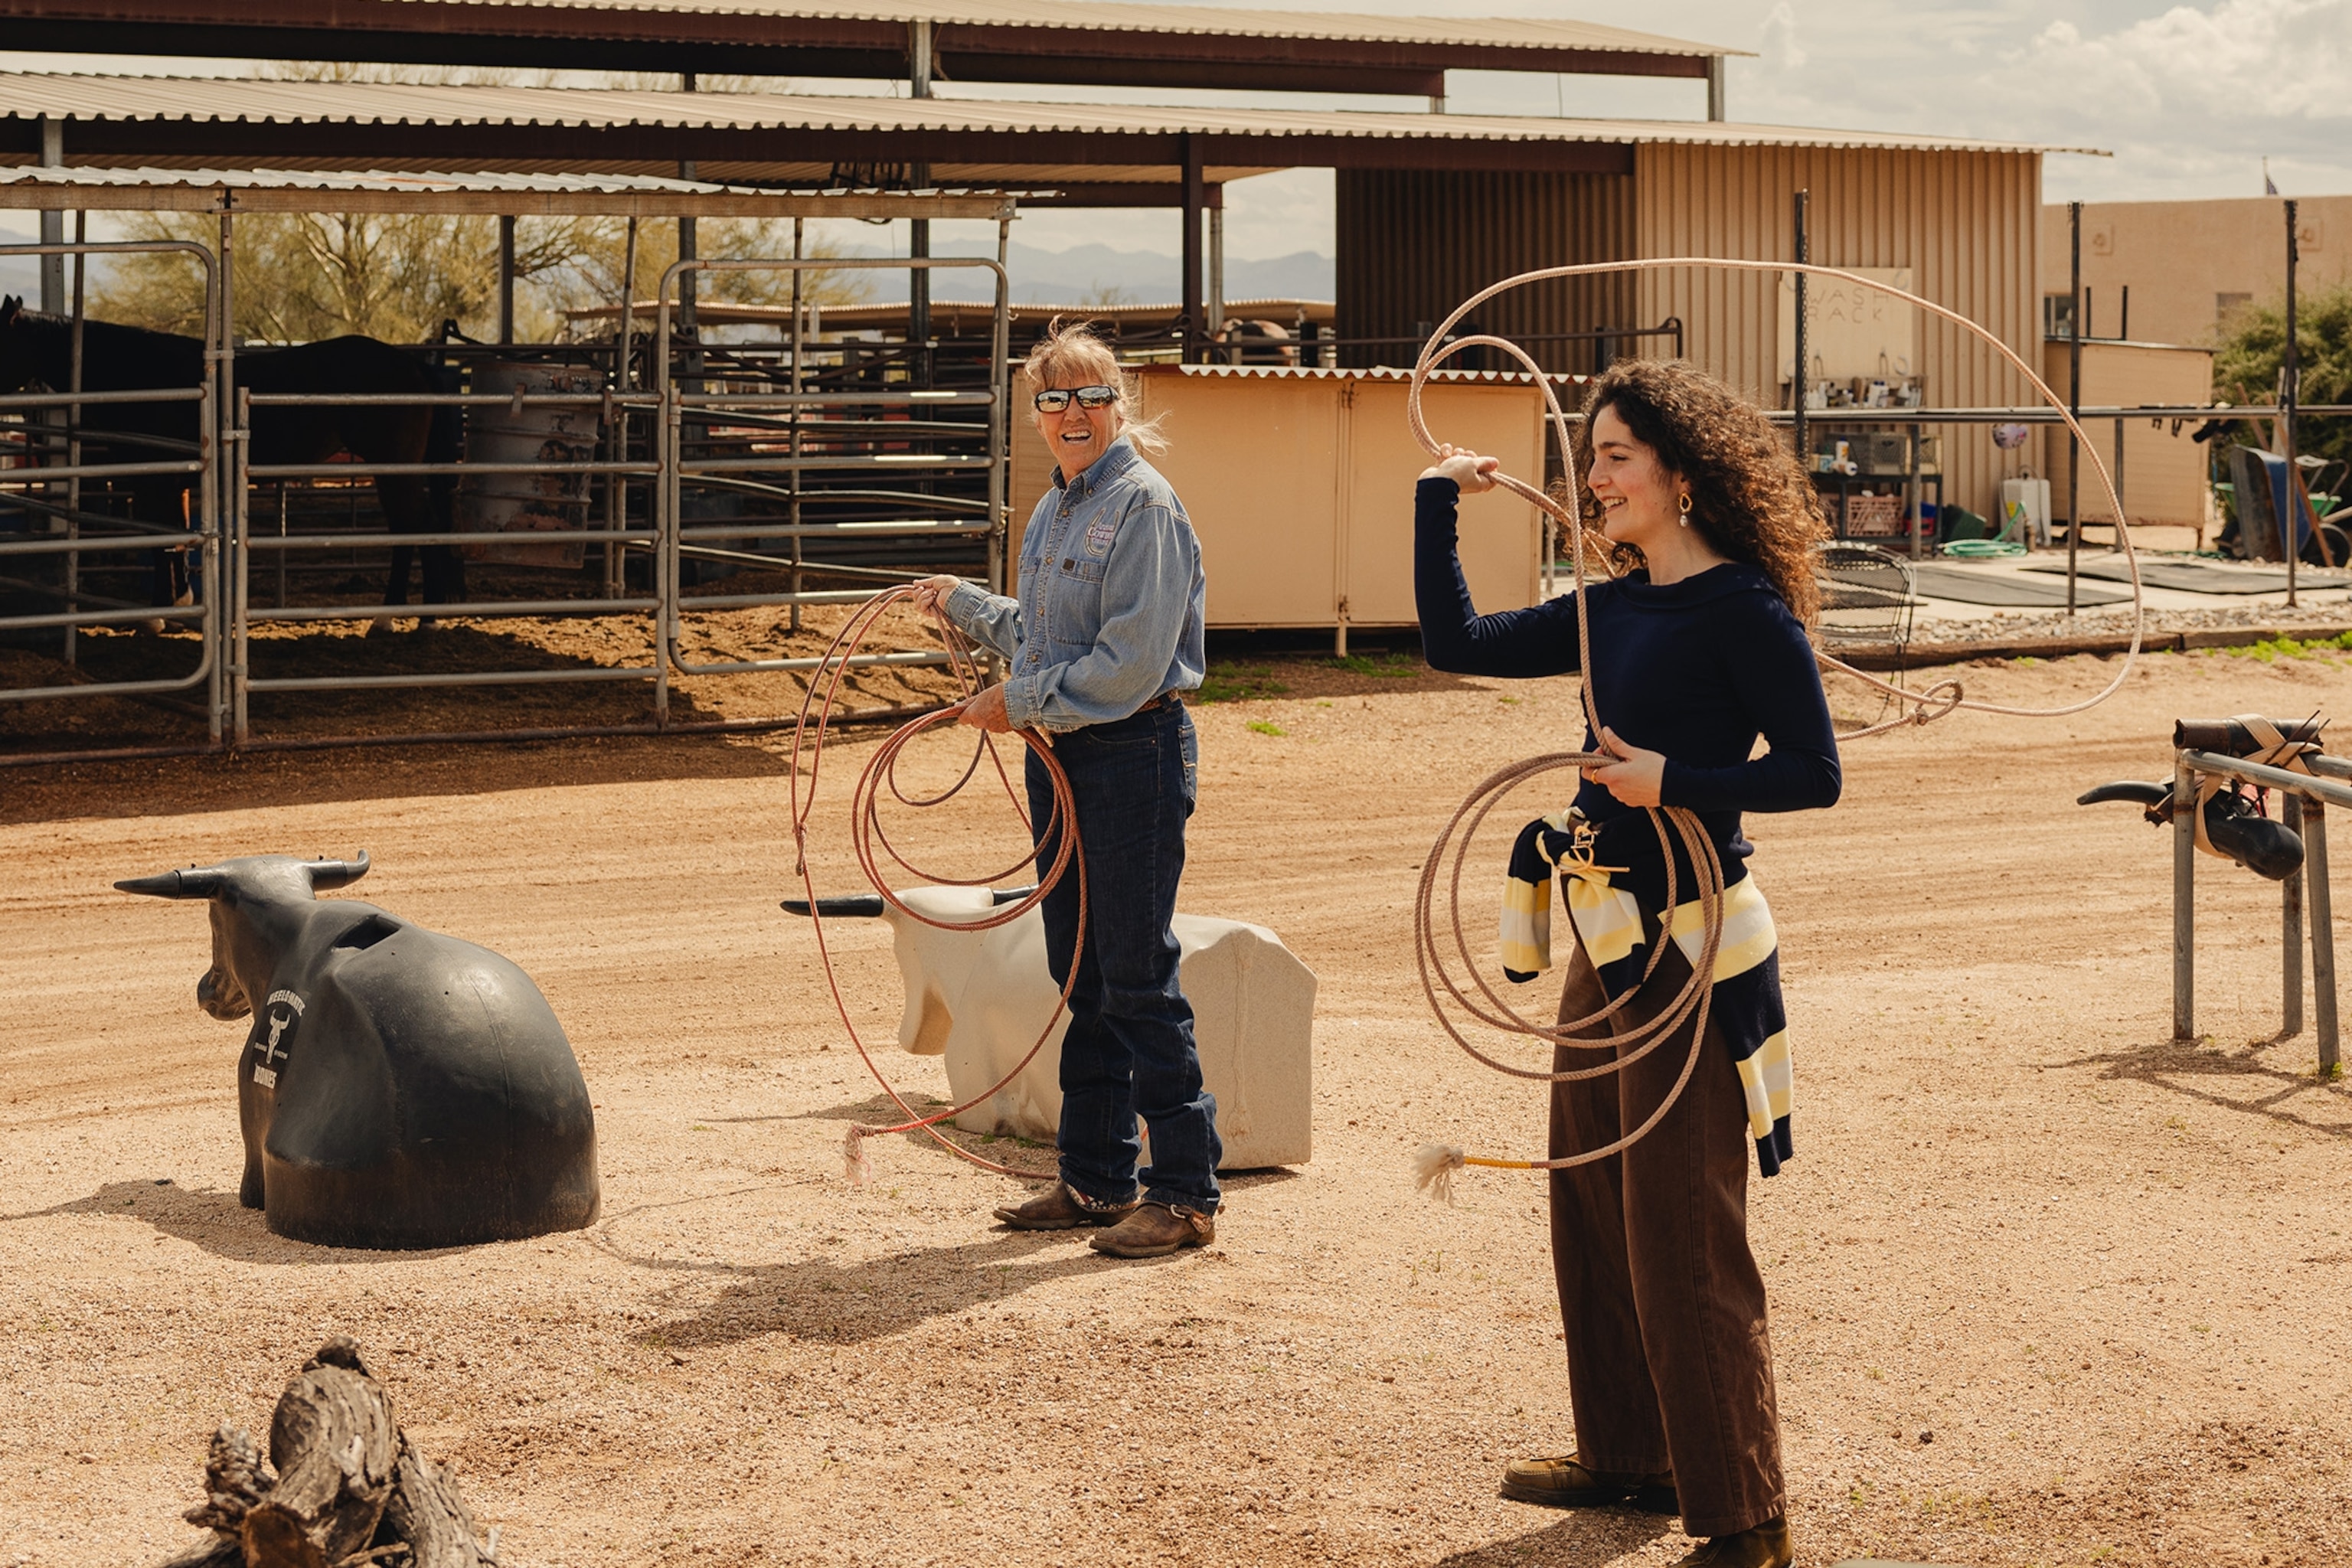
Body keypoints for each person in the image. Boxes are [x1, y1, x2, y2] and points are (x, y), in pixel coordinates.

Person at [1413, 359, 1841, 1568]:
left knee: (1682, 1231)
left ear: (1683, 479)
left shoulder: (1744, 612)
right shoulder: (1612, 606)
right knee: (1590, 1199)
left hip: (1694, 954)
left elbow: (1815, 773)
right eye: (1590, 457)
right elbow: (1459, 643)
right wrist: (1437, 502)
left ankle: (1748, 1516)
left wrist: (1675, 783)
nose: (1592, 478)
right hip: (1605, 939)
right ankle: (1629, 1457)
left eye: (1614, 458)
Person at [909, 320, 1219, 1259]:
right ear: (1037, 414)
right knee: (1081, 970)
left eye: (1088, 395)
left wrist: (1018, 700)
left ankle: (1186, 1191)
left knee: (1133, 969)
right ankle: (1095, 1175)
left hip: (1132, 751)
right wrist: (964, 602)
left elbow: (1125, 667)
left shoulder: (1145, 508)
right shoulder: (1055, 512)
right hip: (1070, 757)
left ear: (1121, 405)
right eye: (1054, 398)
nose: (1072, 412)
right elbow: (1045, 637)